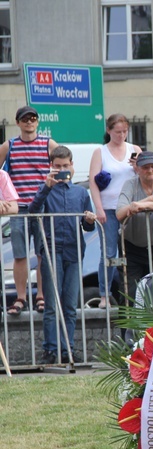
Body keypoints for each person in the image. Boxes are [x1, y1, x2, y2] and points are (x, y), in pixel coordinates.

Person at [29, 146, 96, 365]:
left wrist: (89, 220)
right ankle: (50, 350)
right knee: (51, 303)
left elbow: (87, 227)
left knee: (69, 304)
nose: (61, 170)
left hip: (74, 251)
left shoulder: (80, 192)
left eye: (65, 166)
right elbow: (33, 210)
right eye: (57, 166)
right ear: (51, 167)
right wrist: (47, 187)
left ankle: (68, 348)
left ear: (72, 166)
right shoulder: (46, 189)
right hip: (51, 250)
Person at [2, 105, 59, 316]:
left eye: (33, 118)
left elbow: (66, 165)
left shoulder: (48, 143)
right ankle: (20, 297)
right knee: (19, 254)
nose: (29, 121)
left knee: (42, 254)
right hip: (19, 208)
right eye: (25, 118)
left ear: (37, 121)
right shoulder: (9, 146)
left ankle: (41, 296)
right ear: (18, 122)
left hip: (43, 206)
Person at [89, 113, 140, 309]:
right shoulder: (100, 152)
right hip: (109, 208)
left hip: (130, 208)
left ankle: (134, 294)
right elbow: (93, 183)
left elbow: (145, 176)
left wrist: (138, 167)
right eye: (117, 132)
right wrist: (99, 208)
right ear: (109, 131)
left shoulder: (134, 149)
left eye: (125, 132)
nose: (121, 135)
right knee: (109, 252)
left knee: (133, 251)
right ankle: (104, 295)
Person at [116, 151, 153, 308]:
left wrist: (141, 205)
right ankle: (128, 333)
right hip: (131, 247)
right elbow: (119, 213)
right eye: (145, 167)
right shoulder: (130, 184)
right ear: (137, 169)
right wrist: (150, 199)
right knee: (129, 295)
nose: (150, 170)